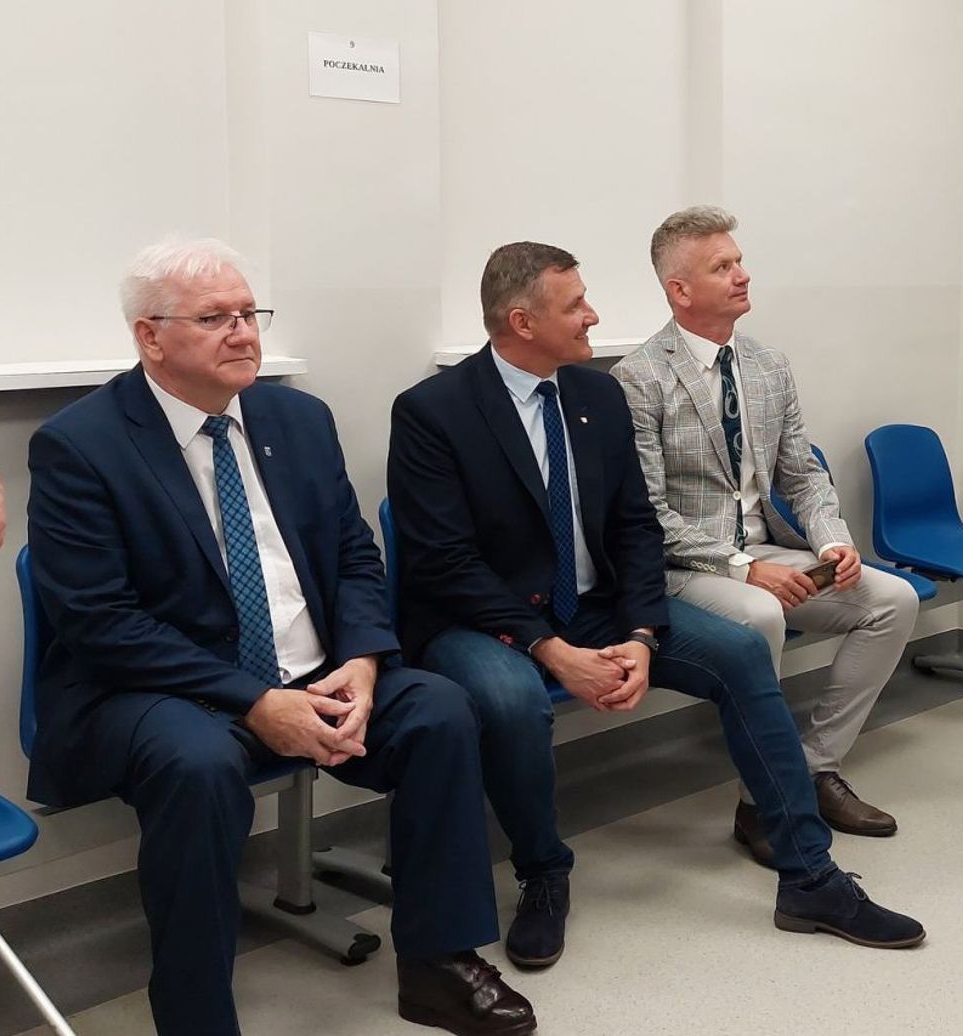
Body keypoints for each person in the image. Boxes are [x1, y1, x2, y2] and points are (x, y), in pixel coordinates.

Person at [26, 240, 533, 1036]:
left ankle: (439, 963)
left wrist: (362, 659)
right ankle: (196, 1017)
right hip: (161, 688)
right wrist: (255, 700)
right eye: (214, 318)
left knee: (438, 709)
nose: (242, 332)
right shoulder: (80, 444)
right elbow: (100, 621)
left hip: (315, 669)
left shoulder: (298, 419)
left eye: (248, 313)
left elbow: (354, 556)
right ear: (150, 336)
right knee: (196, 765)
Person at [387, 241, 925, 971]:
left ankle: (810, 877)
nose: (593, 315)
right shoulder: (433, 412)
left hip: (596, 607)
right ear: (522, 322)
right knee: (514, 700)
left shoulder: (594, 396)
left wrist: (642, 633)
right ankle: (543, 872)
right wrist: (551, 650)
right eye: (576, 305)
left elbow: (636, 527)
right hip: (481, 620)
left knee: (741, 651)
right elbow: (443, 562)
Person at [612, 206, 919, 864]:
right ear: (680, 289)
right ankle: (764, 798)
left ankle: (810, 768)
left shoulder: (767, 365)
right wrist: (743, 568)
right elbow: (647, 512)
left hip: (768, 548)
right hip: (688, 566)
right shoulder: (639, 378)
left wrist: (832, 541)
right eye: (722, 266)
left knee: (893, 600)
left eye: (739, 260)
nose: (743, 274)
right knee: (761, 613)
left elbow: (802, 475)